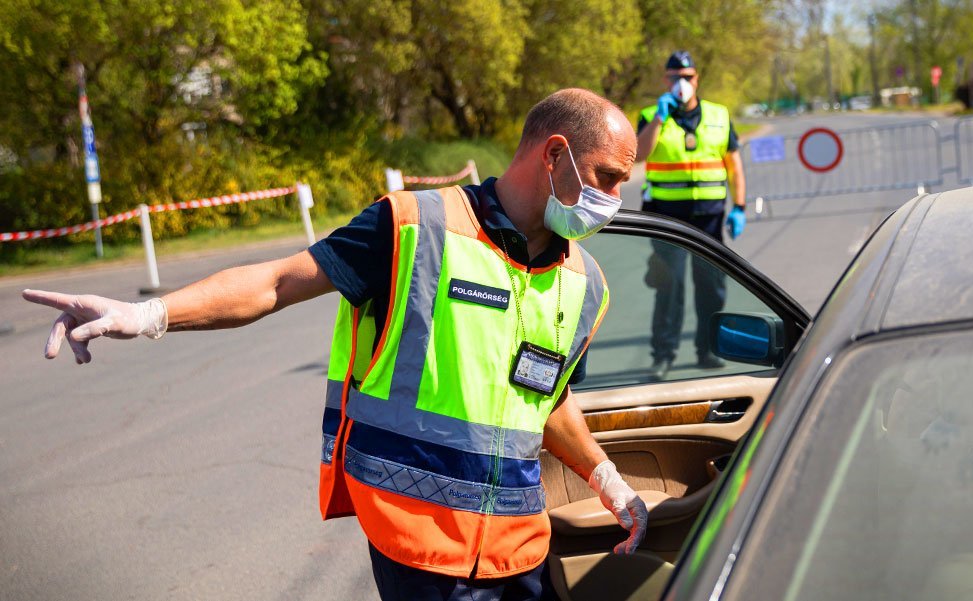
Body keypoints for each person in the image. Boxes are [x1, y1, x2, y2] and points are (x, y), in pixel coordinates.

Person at [22, 88, 648, 601]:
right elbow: (275, 282)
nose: (613, 202)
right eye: (607, 178)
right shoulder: (414, 227)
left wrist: (607, 478)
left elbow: (547, 397)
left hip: (521, 555)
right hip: (420, 552)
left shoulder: (583, 283)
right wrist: (148, 314)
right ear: (554, 154)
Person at [636, 50, 747, 379]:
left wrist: (739, 206)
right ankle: (663, 355)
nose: (681, 83)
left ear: (697, 79)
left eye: (687, 77)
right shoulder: (650, 115)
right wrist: (659, 118)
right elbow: (639, 155)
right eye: (674, 77)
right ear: (664, 79)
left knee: (711, 287)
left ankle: (708, 351)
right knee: (669, 287)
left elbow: (734, 165)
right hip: (665, 217)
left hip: (709, 219)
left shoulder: (718, 115)